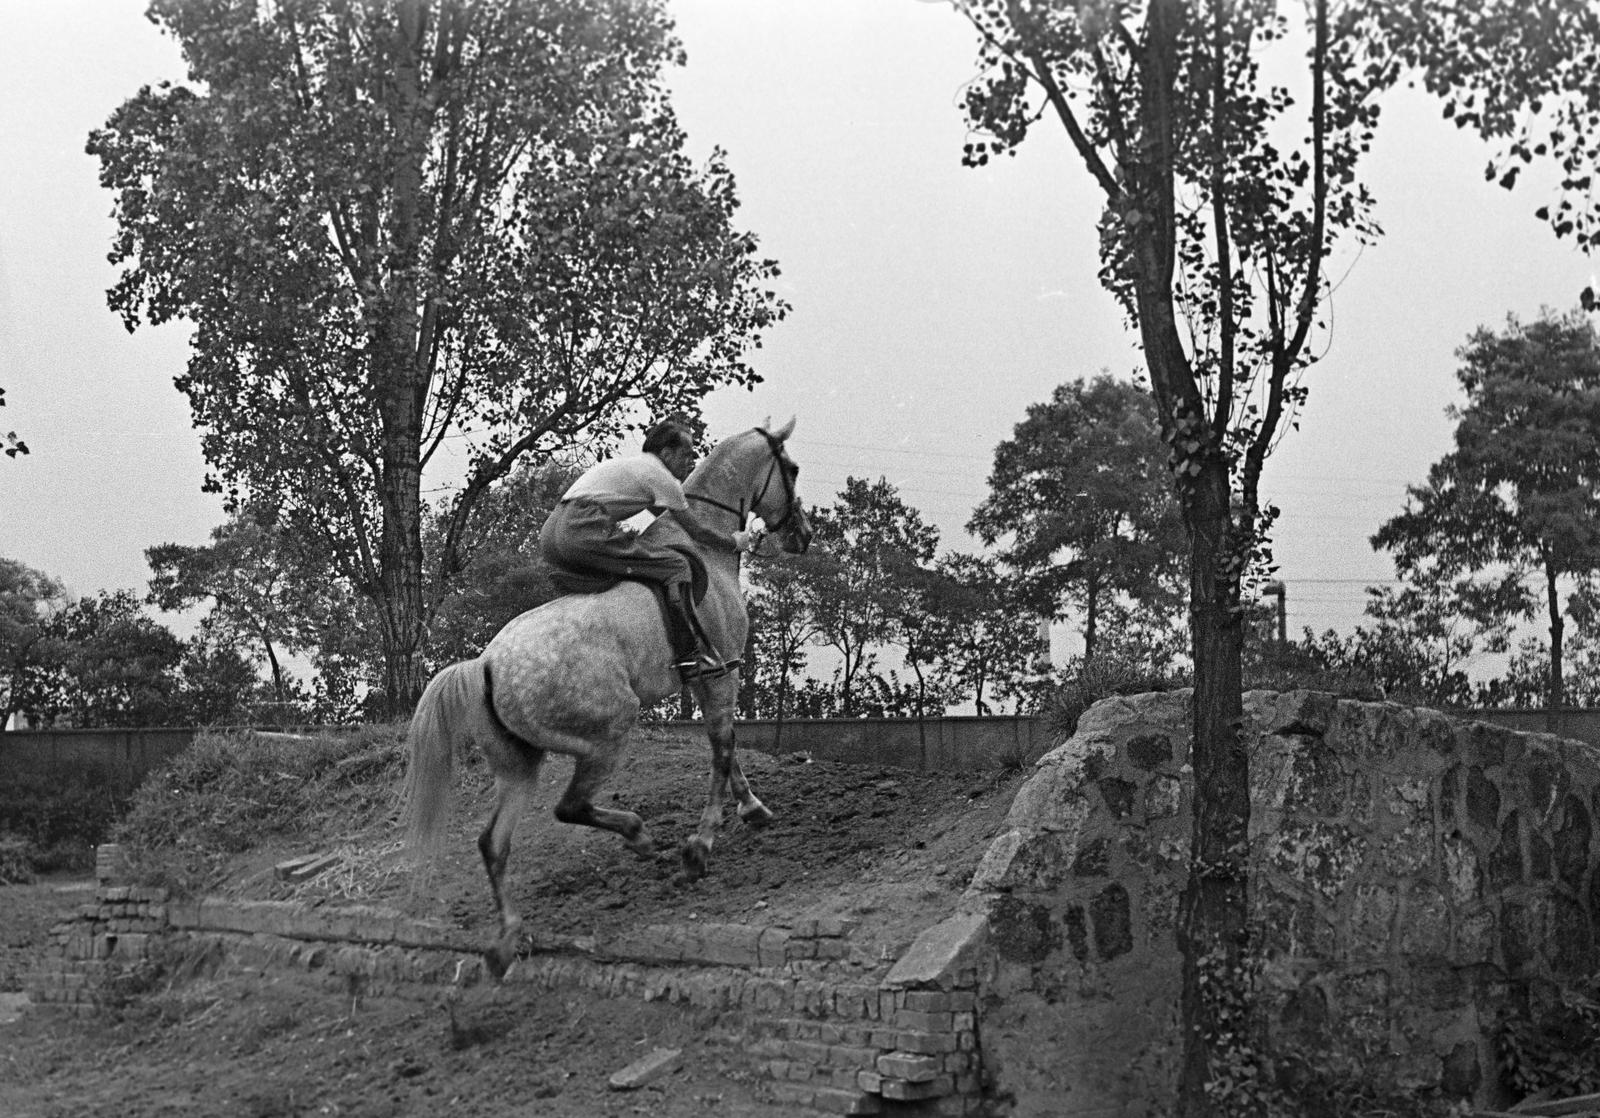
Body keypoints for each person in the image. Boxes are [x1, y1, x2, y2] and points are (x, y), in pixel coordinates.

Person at [539, 416, 757, 682]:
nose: (692, 461)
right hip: (582, 531)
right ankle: (690, 657)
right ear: (666, 453)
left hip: (551, 534)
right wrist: (735, 542)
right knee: (677, 566)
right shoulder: (663, 478)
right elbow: (697, 531)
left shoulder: (634, 467)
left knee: (636, 563)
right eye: (686, 454)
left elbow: (662, 513)